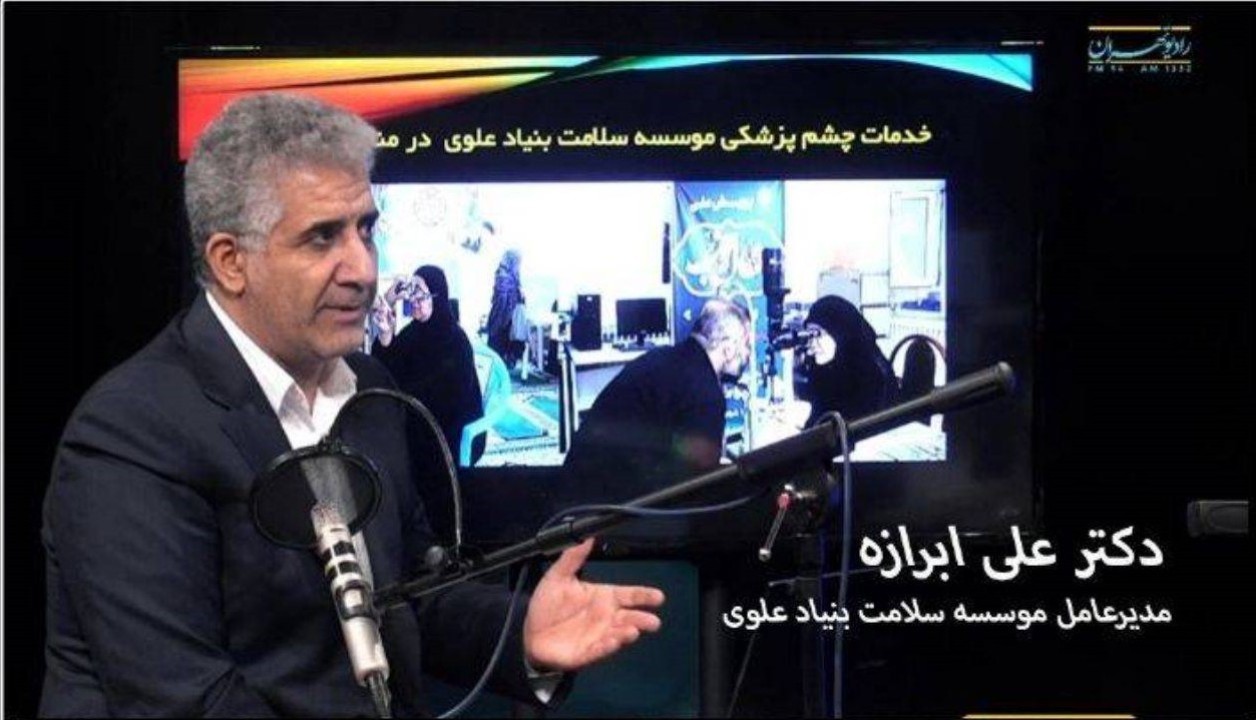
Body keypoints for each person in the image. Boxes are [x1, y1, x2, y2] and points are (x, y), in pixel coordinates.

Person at [40, 93, 664, 717]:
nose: (364, 269)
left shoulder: (368, 389)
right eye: (322, 238)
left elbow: (407, 597)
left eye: (366, 229)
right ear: (231, 262)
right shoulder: (131, 431)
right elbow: (184, 698)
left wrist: (522, 632)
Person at [560, 298, 752, 505]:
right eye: (746, 345)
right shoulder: (704, 391)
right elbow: (697, 485)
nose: (748, 353)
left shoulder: (659, 357)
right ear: (728, 347)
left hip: (578, 486)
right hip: (607, 507)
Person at [371, 265, 486, 467]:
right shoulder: (414, 331)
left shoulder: (455, 342)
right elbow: (386, 368)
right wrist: (385, 334)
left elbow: (447, 402)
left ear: (437, 298)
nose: (413, 300)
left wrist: (401, 398)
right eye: (411, 291)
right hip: (420, 416)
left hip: (449, 430)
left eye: (420, 294)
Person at [794, 294, 897, 426]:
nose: (812, 345)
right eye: (810, 335)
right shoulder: (832, 368)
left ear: (840, 333)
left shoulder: (871, 378)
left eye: (818, 334)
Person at [486, 248, 525, 367]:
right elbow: (502, 303)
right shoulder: (505, 277)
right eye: (518, 262)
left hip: (504, 321)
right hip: (503, 321)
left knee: (499, 354)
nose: (519, 265)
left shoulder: (508, 276)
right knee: (498, 355)